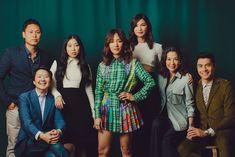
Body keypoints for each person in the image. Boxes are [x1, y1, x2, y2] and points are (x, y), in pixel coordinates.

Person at [94, 28, 155, 157]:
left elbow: (150, 82)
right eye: (112, 41)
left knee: (126, 150)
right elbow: (98, 92)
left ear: (124, 44)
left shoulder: (133, 63)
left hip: (125, 109)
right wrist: (97, 115)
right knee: (102, 151)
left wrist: (134, 96)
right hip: (106, 109)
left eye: (119, 41)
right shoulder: (102, 65)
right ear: (108, 44)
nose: (115, 45)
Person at [0, 18, 50, 157]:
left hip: (36, 108)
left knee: (34, 145)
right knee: (14, 144)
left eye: (38, 32)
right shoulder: (11, 53)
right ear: (24, 34)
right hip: (15, 106)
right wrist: (7, 102)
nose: (35, 35)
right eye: (31, 32)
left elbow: (49, 80)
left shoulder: (45, 56)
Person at [178, 53, 235, 157]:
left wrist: (208, 132)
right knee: (183, 148)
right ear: (196, 67)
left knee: (224, 141)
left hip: (222, 130)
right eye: (200, 66)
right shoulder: (194, 86)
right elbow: (190, 108)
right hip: (201, 130)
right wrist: (191, 129)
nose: (204, 69)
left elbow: (231, 117)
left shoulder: (226, 86)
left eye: (207, 65)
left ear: (214, 66)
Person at [50, 35, 96, 157]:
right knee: (66, 145)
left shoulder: (85, 66)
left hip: (82, 109)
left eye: (76, 45)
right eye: (69, 46)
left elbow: (89, 90)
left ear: (80, 47)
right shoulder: (57, 63)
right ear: (65, 48)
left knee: (82, 145)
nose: (73, 49)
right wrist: (57, 95)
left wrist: (94, 114)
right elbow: (50, 84)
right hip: (63, 108)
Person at [149, 47, 195, 157]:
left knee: (166, 142)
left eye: (175, 59)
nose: (172, 63)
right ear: (165, 61)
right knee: (155, 124)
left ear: (180, 61)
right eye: (168, 59)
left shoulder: (186, 79)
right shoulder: (161, 76)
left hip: (179, 120)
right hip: (165, 117)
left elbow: (190, 104)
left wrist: (191, 126)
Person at [128, 13, 163, 156]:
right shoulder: (128, 46)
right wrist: (143, 66)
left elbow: (165, 70)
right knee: (134, 128)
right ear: (133, 28)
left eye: (143, 25)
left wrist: (185, 74)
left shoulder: (157, 47)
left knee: (149, 127)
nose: (140, 28)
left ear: (148, 27)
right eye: (136, 25)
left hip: (150, 89)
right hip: (133, 89)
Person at [14, 67, 68, 157]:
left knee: (53, 155)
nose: (42, 79)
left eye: (46, 77)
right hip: (29, 141)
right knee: (57, 146)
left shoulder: (52, 99)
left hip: (49, 140)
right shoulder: (24, 97)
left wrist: (58, 131)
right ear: (34, 82)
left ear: (50, 82)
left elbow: (60, 121)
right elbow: (26, 123)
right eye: (39, 76)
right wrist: (43, 136)